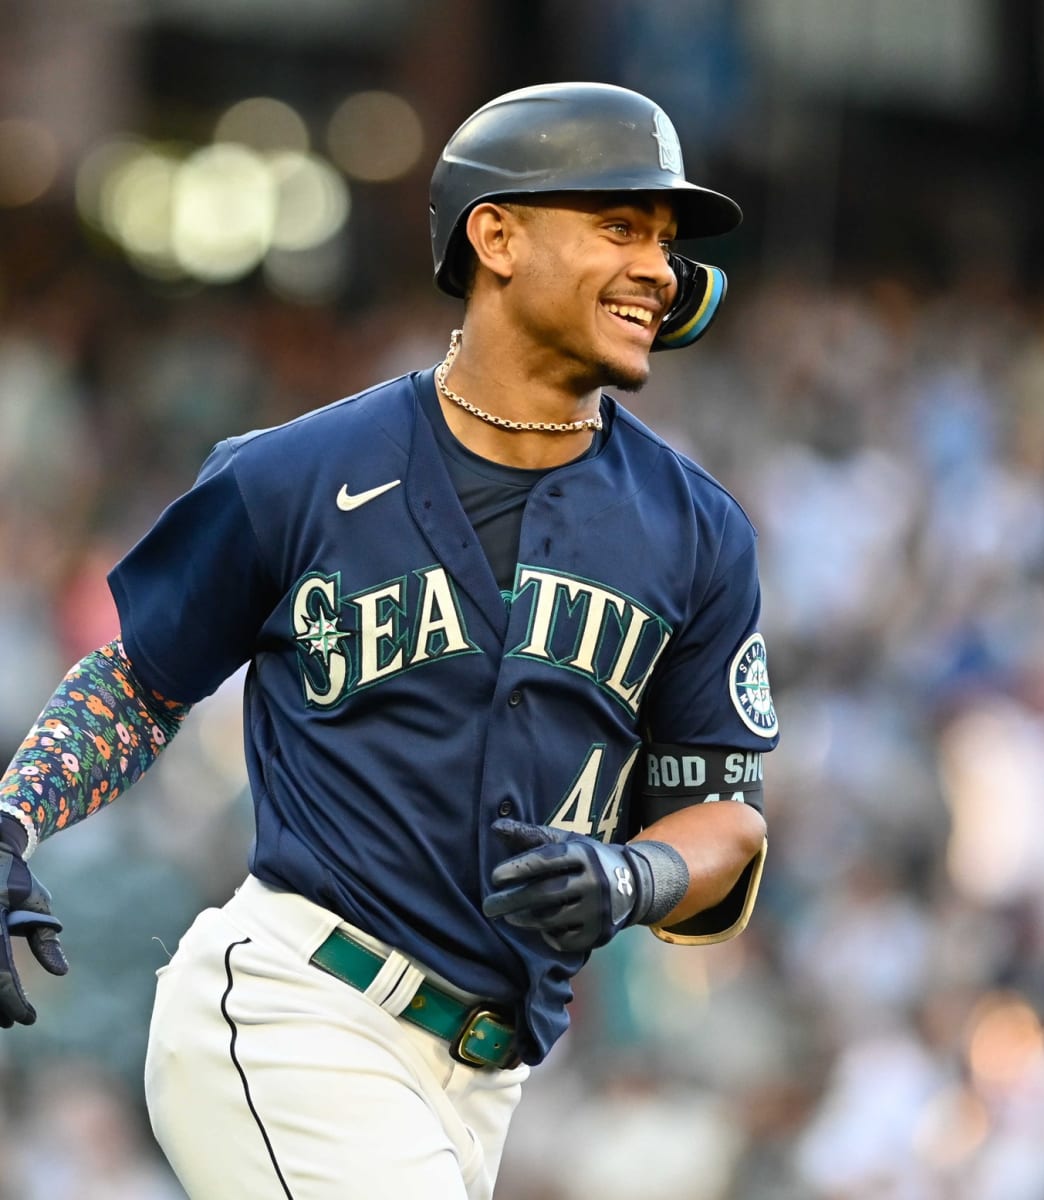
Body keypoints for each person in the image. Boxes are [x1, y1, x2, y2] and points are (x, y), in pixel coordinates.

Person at [0, 81, 779, 1199]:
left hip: (482, 1083)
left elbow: (726, 819)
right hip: (297, 1010)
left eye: (664, 240)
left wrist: (633, 872)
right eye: (620, 227)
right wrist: (15, 813)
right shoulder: (293, 476)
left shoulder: (697, 529)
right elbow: (140, 681)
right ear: (496, 235)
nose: (660, 267)